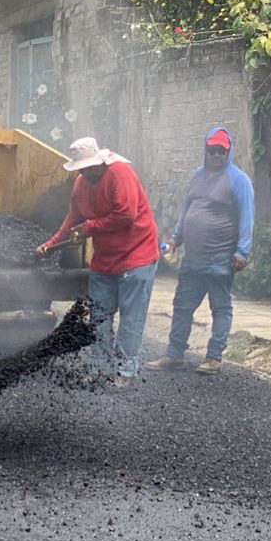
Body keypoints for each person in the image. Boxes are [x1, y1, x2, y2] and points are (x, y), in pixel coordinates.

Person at [38, 136, 159, 386]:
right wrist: (51, 244)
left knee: (131, 316)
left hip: (137, 256)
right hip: (105, 259)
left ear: (99, 161)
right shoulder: (82, 184)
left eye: (87, 167)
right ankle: (101, 368)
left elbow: (126, 214)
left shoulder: (120, 173)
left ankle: (126, 371)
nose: (84, 171)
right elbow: (72, 218)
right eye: (80, 168)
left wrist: (90, 228)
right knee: (100, 316)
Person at [149, 126, 254, 375]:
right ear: (205, 150)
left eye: (221, 152)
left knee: (220, 307)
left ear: (228, 153)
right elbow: (187, 211)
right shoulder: (197, 176)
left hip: (220, 258)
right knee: (182, 305)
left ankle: (214, 357)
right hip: (192, 258)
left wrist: (243, 252)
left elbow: (247, 218)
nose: (216, 156)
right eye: (212, 151)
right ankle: (174, 355)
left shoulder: (238, 180)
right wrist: (175, 240)